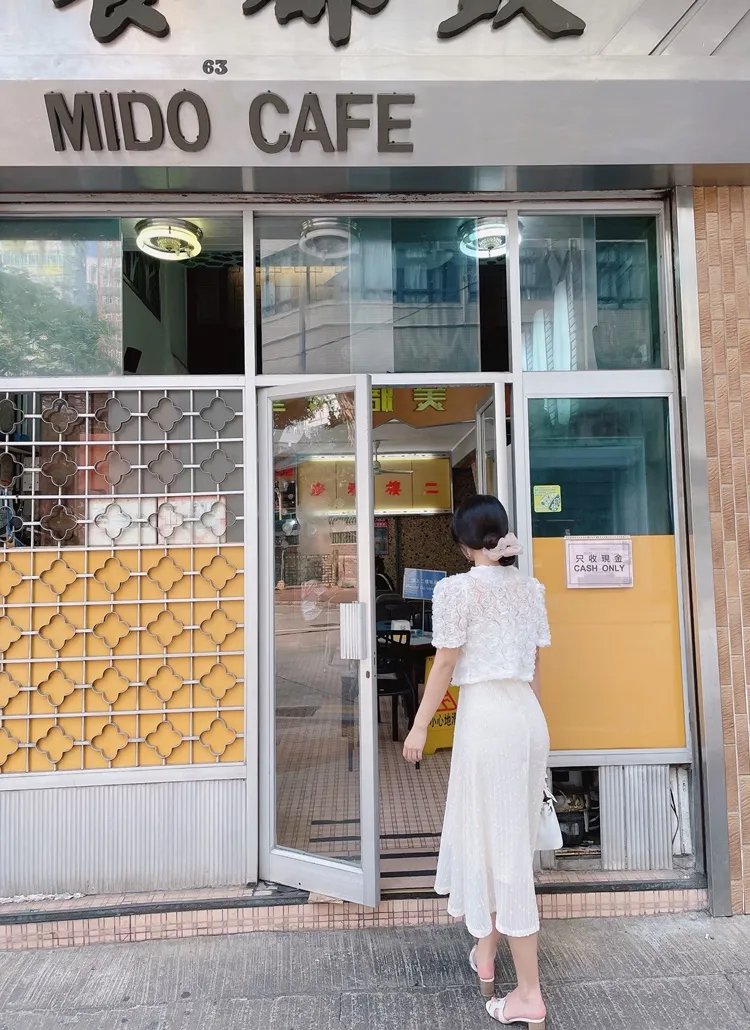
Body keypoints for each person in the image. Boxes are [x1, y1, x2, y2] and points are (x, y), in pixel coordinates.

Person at [403, 495, 551, 1027]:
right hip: (527, 719)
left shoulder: (455, 590)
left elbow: (444, 663)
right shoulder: (531, 589)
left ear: (465, 546)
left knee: (497, 846)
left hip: (487, 721)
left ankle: (529, 993)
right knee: (506, 840)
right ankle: (486, 953)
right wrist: (537, 732)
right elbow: (535, 666)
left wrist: (419, 726)